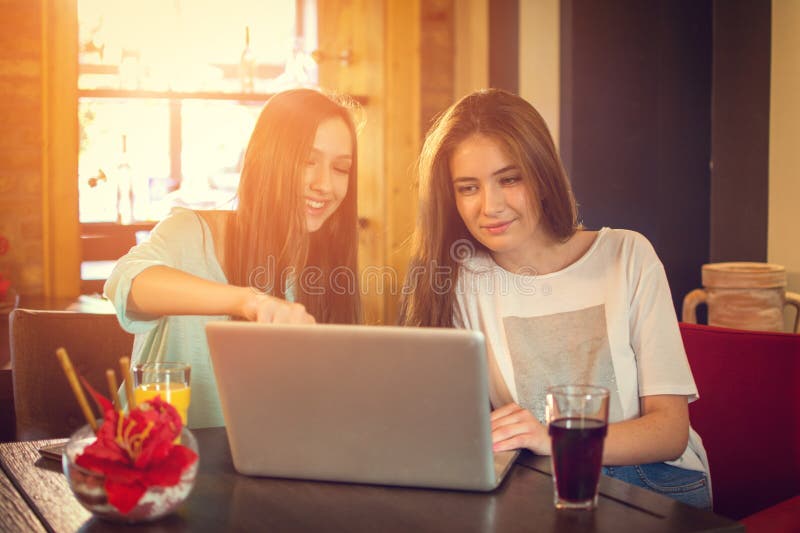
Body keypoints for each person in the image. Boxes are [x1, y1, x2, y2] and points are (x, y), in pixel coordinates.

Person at [399, 88, 711, 509]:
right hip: (541, 486)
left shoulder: (627, 255)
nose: (490, 206)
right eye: (468, 187)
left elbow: (670, 433)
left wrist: (552, 439)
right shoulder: (458, 281)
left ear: (542, 175)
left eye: (510, 179)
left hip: (655, 483)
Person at [105, 88, 362, 428]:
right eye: (307, 162)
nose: (324, 185)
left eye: (341, 168)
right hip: (152, 462)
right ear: (267, 160)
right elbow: (127, 282)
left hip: (256, 465)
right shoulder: (190, 233)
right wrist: (247, 301)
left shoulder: (329, 269)